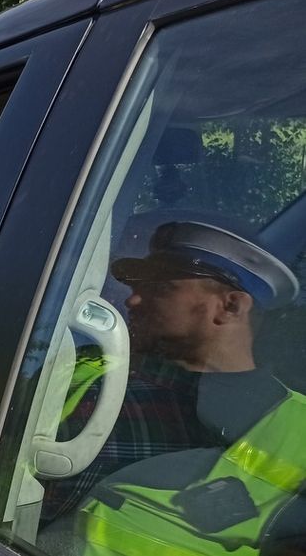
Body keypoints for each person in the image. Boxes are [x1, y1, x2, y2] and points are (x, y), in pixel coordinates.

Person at [65, 221, 306, 556]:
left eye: (161, 289)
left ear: (231, 307)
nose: (132, 300)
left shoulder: (301, 426)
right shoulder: (98, 381)